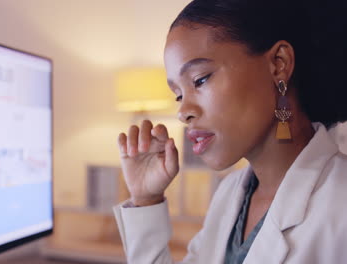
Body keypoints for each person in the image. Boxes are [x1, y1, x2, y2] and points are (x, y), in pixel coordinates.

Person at [113, 0, 347, 263]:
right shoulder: (230, 194)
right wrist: (146, 199)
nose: (183, 112)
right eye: (178, 95)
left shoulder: (340, 206)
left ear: (279, 64)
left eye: (200, 79)